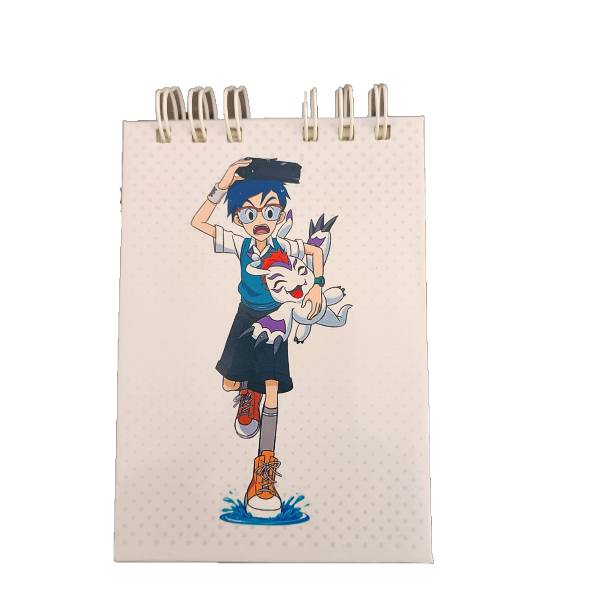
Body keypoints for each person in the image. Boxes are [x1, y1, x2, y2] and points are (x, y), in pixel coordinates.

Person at [191, 158, 325, 517]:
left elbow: (314, 251)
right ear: (238, 219)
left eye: (269, 211)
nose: (260, 220)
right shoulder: (240, 244)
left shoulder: (287, 246)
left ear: (280, 214)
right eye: (249, 214)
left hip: (275, 320)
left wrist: (316, 285)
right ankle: (246, 392)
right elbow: (198, 222)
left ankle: (263, 474)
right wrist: (222, 185)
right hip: (245, 315)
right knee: (229, 383)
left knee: (272, 388)